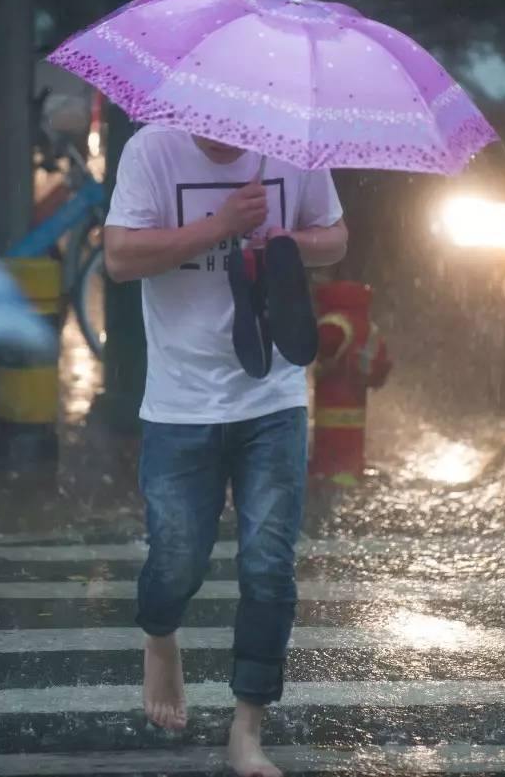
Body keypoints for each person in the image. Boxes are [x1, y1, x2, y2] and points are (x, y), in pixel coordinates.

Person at [104, 126, 348, 777]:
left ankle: (247, 728)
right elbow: (120, 258)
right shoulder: (151, 151)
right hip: (181, 403)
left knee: (269, 564)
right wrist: (219, 224)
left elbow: (336, 237)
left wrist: (285, 241)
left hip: (274, 395)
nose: (213, 131)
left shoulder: (294, 145)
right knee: (176, 561)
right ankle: (161, 635)